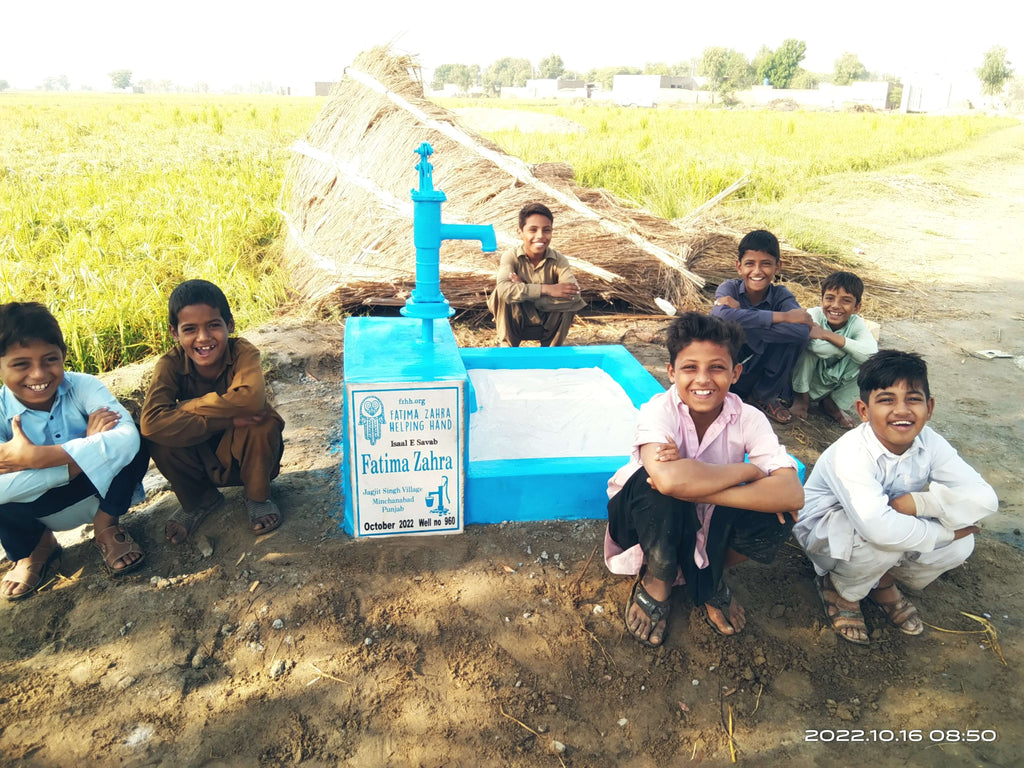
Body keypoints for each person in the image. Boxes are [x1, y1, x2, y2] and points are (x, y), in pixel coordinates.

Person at [605, 312, 804, 646]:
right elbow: (667, 482)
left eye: (716, 367)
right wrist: (745, 471)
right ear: (671, 372)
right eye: (689, 367)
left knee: (777, 517)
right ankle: (658, 579)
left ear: (735, 372)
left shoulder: (749, 419)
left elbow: (791, 492)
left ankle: (708, 576)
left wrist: (700, 489)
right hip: (646, 520)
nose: (703, 380)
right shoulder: (658, 410)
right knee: (655, 491)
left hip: (710, 516)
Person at [792, 350, 997, 645]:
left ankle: (881, 580)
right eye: (886, 400)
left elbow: (984, 499)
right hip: (825, 532)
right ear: (863, 410)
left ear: (930, 407)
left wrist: (920, 503)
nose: (902, 410)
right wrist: (943, 531)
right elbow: (877, 526)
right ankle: (840, 590)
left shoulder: (931, 443)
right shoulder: (851, 452)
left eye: (913, 399)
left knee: (962, 544)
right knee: (885, 539)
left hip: (886, 524)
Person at [0, 302, 147, 600]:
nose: (39, 374)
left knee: (140, 440)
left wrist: (36, 459)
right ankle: (35, 548)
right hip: (33, 507)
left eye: (50, 359)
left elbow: (127, 439)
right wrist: (78, 460)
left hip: (96, 492)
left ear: (64, 356)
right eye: (21, 364)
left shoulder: (82, 386)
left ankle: (106, 526)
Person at [141, 280, 284, 544]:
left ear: (229, 324)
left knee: (260, 420)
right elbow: (150, 423)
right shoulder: (169, 365)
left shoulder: (243, 352)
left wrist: (186, 406)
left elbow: (251, 400)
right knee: (159, 437)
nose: (204, 338)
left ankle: (258, 497)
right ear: (175, 332)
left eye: (213, 325)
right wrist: (225, 418)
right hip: (199, 455)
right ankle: (201, 500)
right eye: (190, 329)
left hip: (244, 456)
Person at [710, 229, 811, 424]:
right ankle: (725, 392)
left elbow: (801, 331)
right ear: (739, 267)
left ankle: (764, 397)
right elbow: (719, 315)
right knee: (719, 327)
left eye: (766, 264)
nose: (757, 271)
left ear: (777, 267)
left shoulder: (782, 295)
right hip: (731, 369)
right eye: (750, 264)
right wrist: (783, 317)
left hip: (765, 370)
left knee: (796, 337)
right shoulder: (728, 288)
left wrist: (742, 323)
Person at [486, 202, 586, 347]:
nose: (540, 236)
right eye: (533, 230)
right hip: (517, 321)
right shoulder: (511, 256)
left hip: (548, 322)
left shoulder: (559, 260)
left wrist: (529, 297)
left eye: (546, 230)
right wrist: (548, 289)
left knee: (571, 303)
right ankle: (507, 348)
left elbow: (574, 295)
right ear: (520, 232)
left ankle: (551, 351)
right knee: (501, 295)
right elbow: (503, 290)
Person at [790, 271, 878, 428]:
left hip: (831, 382)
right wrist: (847, 348)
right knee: (808, 348)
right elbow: (816, 347)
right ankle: (801, 398)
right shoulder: (813, 314)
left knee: (867, 363)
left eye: (846, 301)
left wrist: (825, 334)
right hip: (806, 379)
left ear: (856, 307)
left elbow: (871, 355)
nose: (836, 306)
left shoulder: (856, 324)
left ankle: (832, 403)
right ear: (822, 299)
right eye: (829, 298)